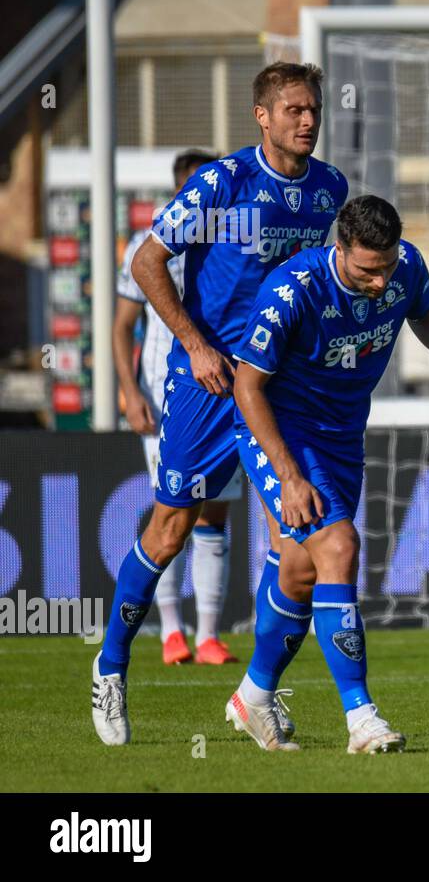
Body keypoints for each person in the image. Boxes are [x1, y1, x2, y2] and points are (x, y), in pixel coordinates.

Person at [92, 62, 348, 746]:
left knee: (294, 544)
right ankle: (112, 667)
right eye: (293, 109)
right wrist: (195, 344)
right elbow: (148, 260)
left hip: (275, 389)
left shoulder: (330, 192)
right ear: (261, 116)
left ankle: (257, 694)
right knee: (170, 530)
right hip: (207, 384)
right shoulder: (220, 183)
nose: (308, 120)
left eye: (313, 108)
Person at [228, 194, 429, 753]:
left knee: (298, 570)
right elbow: (247, 387)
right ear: (338, 248)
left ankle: (253, 694)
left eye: (386, 266)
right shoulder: (292, 290)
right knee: (338, 547)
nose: (379, 280)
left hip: (342, 436)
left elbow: (423, 309)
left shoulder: (405, 265)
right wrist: (289, 476)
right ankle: (361, 718)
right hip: (281, 432)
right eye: (368, 269)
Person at [112, 148, 239, 666]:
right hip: (166, 393)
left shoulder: (234, 239)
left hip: (223, 392)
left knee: (215, 515)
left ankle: (207, 634)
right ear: (180, 190)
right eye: (196, 189)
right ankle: (170, 632)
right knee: (172, 514)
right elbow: (122, 326)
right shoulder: (147, 248)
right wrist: (129, 389)